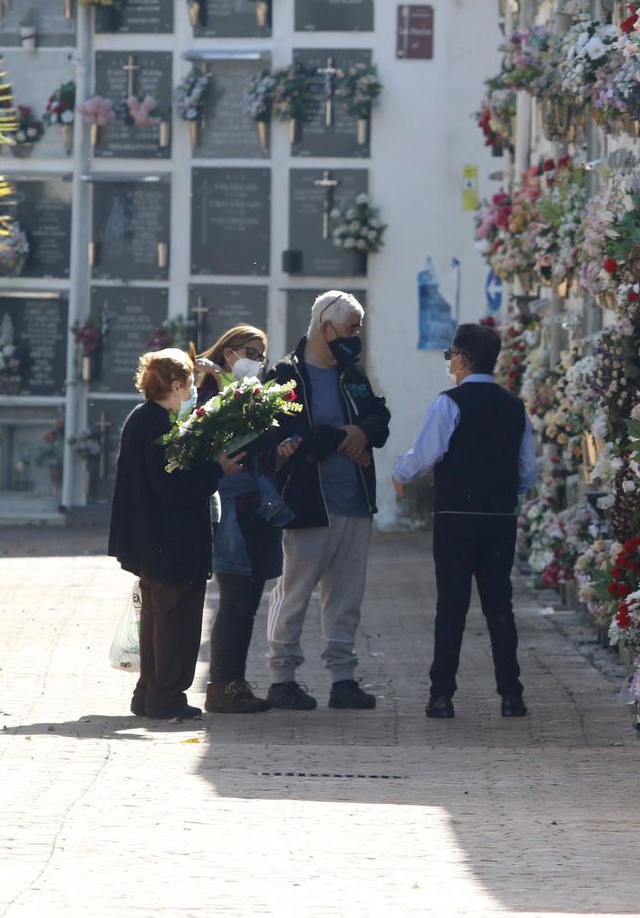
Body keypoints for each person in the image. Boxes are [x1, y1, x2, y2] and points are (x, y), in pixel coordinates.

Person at [392, 323, 537, 720]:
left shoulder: (449, 403)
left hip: (456, 515)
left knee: (452, 605)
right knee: (499, 606)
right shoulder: (515, 406)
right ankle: (511, 694)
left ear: (460, 358)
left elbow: (426, 454)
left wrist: (400, 474)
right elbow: (527, 470)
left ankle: (441, 695)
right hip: (499, 515)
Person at [263, 291, 391, 710]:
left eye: (359, 329)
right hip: (308, 503)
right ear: (324, 327)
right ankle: (282, 677)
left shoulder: (352, 373)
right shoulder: (285, 375)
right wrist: (346, 436)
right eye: (351, 329)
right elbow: (294, 436)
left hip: (354, 500)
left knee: (346, 597)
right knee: (295, 592)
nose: (356, 337)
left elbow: (379, 417)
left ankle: (343, 678)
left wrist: (364, 433)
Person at [107, 348, 245, 720]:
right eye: (187, 382)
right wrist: (216, 471)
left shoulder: (145, 418)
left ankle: (148, 692)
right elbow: (172, 486)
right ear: (175, 384)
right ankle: (166, 695)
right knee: (176, 623)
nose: (192, 389)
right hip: (171, 542)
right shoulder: (158, 424)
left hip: (155, 541)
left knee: (157, 621)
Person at [194, 325, 296, 714]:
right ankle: (221, 685)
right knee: (235, 598)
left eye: (262, 354)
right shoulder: (207, 392)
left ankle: (233, 681)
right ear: (229, 352)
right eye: (250, 351)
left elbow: (259, 452)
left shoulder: (256, 396)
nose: (257, 360)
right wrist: (222, 386)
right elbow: (208, 442)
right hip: (230, 508)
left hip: (257, 506)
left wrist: (279, 456)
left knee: (249, 600)